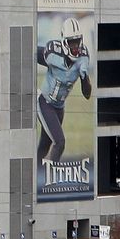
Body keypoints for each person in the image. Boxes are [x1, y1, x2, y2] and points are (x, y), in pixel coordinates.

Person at [36, 20, 92, 168]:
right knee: (59, 142)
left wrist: (84, 78)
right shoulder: (53, 53)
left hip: (59, 107)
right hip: (45, 102)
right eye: (71, 42)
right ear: (64, 42)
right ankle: (51, 176)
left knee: (45, 143)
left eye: (77, 42)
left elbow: (87, 95)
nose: (75, 47)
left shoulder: (83, 58)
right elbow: (32, 53)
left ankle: (34, 172)